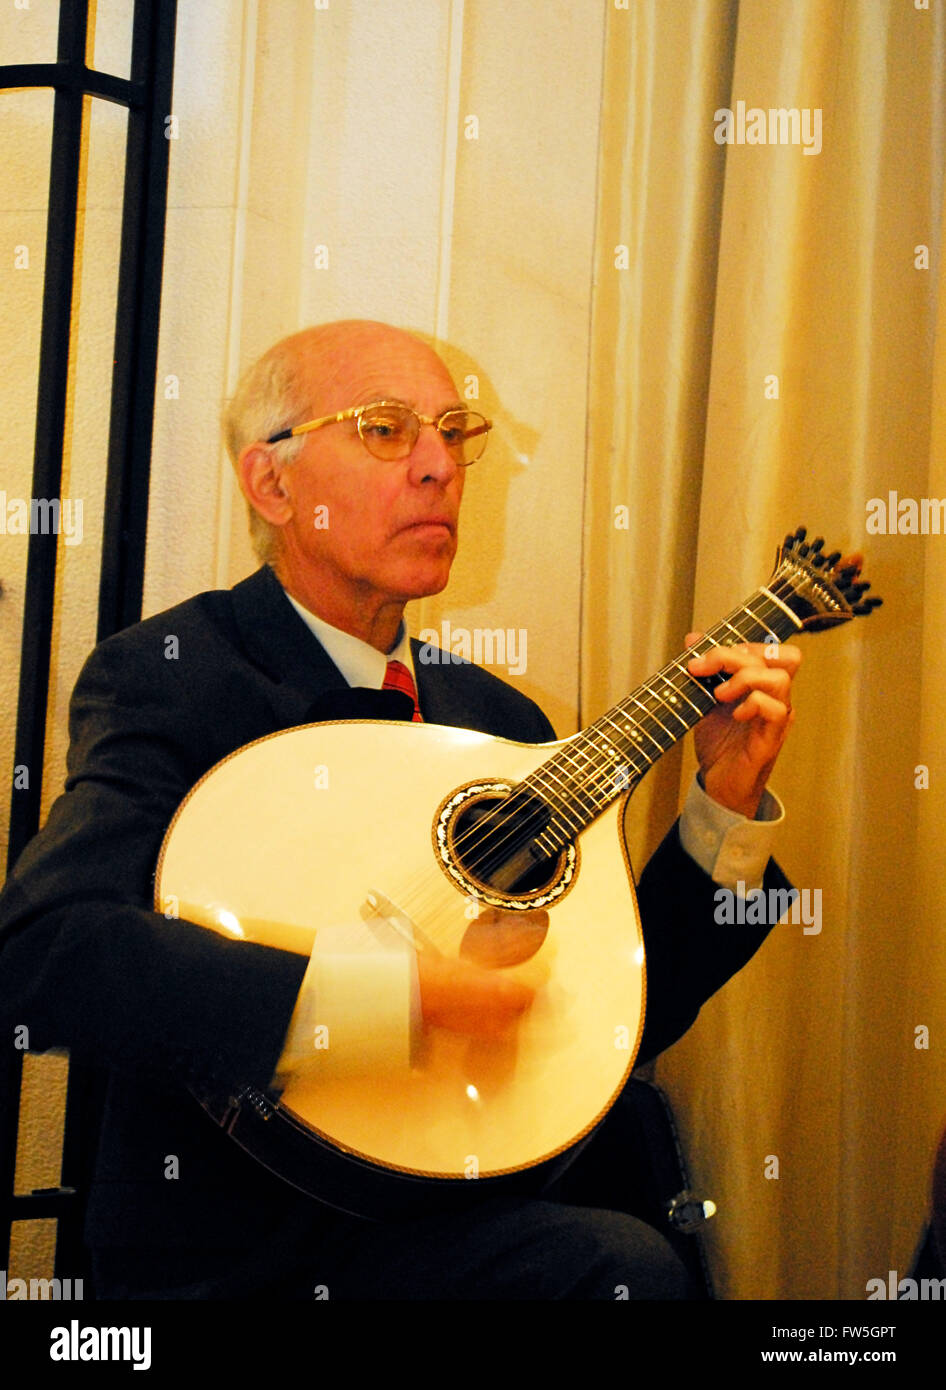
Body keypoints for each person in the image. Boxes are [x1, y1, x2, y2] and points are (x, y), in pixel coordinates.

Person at [0, 320, 799, 1299]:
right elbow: (50, 950)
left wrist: (724, 801)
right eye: (385, 429)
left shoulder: (498, 726)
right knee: (620, 1268)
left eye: (455, 431)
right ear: (273, 484)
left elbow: (606, 1025)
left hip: (461, 1215)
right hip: (238, 1247)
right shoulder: (175, 673)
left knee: (629, 1261)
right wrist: (391, 997)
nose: (440, 468)